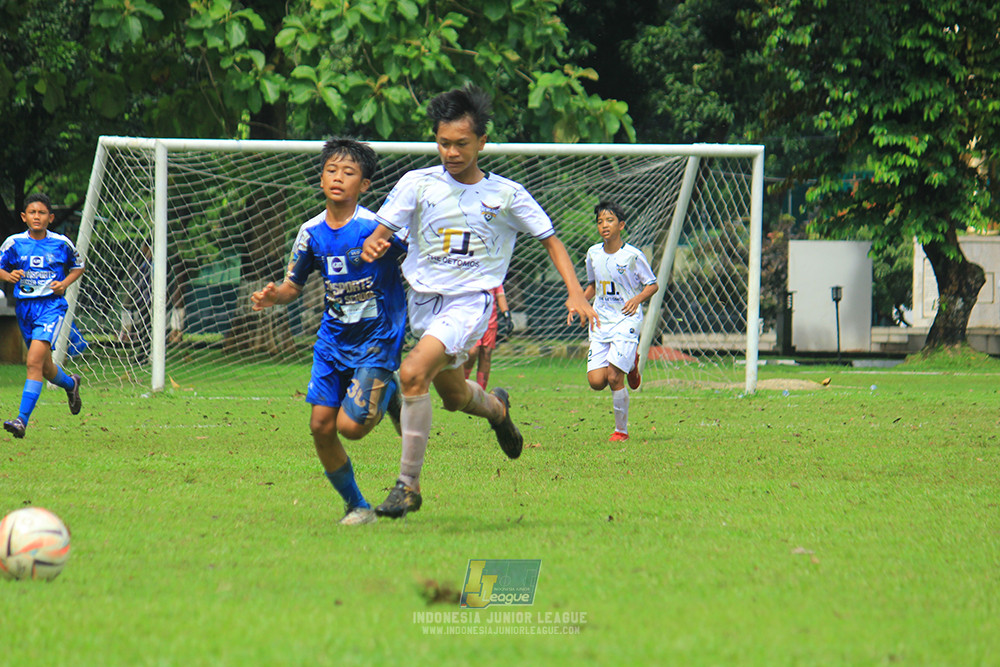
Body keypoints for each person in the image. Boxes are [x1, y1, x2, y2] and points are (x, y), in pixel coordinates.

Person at [361, 84, 599, 519]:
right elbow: (379, 234)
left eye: (461, 144)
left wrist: (572, 290)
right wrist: (375, 246)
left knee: (412, 374)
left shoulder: (506, 194)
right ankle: (498, 410)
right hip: (422, 305)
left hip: (471, 303)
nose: (451, 152)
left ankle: (407, 486)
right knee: (451, 397)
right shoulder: (416, 183)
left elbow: (551, 240)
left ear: (482, 142)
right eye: (443, 143)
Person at [250, 138, 406, 526]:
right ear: (321, 177)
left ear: (365, 184)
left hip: (378, 338)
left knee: (350, 427)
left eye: (349, 172)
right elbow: (293, 286)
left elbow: (416, 261)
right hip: (333, 341)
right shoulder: (311, 233)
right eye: (331, 170)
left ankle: (389, 392)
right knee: (321, 425)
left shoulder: (376, 228)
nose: (338, 178)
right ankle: (357, 506)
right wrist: (275, 296)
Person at [1, 193, 85, 439]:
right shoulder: (14, 243)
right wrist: (8, 276)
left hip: (51, 307)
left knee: (33, 362)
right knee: (46, 367)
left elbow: (78, 266)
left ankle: (21, 420)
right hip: (25, 309)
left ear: (51, 217)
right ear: (24, 216)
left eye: (42, 212)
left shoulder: (61, 243)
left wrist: (64, 284)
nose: (37, 216)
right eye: (32, 212)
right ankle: (71, 384)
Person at [583, 200, 659, 442]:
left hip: (626, 319)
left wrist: (637, 299)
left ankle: (621, 432)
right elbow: (594, 285)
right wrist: (580, 303)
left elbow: (652, 285)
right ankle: (631, 364)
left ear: (621, 225)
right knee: (596, 381)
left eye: (609, 220)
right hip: (601, 322)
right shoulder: (593, 253)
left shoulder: (633, 256)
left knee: (615, 377)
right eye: (600, 221)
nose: (604, 225)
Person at [462, 283, 512, 390]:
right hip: (472, 319)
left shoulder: (493, 274)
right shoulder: (471, 270)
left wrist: (506, 314)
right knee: (472, 352)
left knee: (486, 353)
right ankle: (462, 384)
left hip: (490, 320)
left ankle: (481, 390)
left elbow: (500, 294)